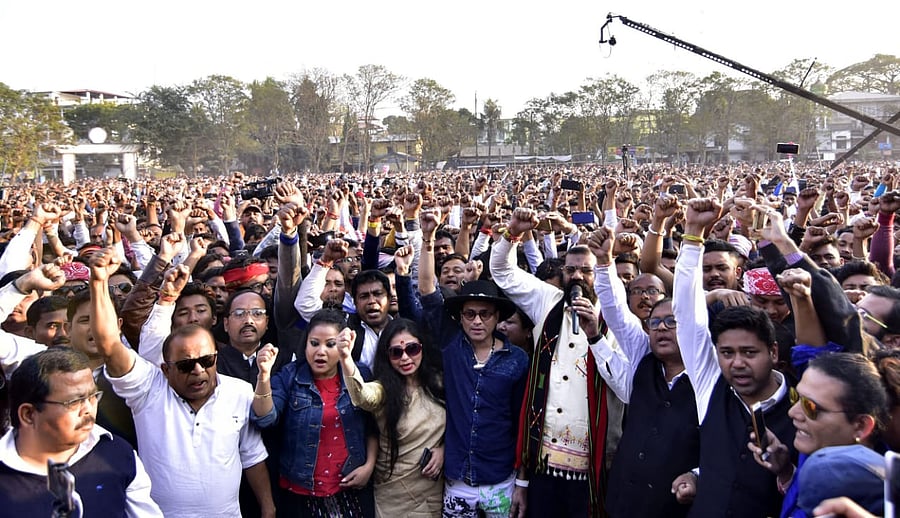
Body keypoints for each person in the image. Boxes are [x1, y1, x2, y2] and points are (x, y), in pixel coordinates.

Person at [90, 247, 275, 518]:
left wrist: (268, 508)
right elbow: (108, 344)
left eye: (207, 361)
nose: (199, 371)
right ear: (166, 369)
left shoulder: (240, 392)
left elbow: (252, 455)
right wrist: (98, 282)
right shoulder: (148, 389)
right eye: (186, 365)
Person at [673, 198, 797, 518]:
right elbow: (686, 315)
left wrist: (786, 472)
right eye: (727, 353)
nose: (737, 363)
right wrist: (693, 233)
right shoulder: (710, 387)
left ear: (773, 352)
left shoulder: (802, 405)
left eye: (749, 352)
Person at [490, 208, 615, 517]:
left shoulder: (615, 314)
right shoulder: (548, 300)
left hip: (592, 467)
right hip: (542, 464)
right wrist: (512, 233)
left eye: (586, 270)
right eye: (571, 270)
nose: (577, 277)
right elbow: (503, 271)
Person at [419, 208, 529, 518]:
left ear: (497, 317)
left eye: (485, 314)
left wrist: (522, 480)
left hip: (501, 478)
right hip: (458, 479)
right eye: (469, 314)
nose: (477, 321)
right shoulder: (452, 345)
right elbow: (427, 289)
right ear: (460, 317)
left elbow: (522, 422)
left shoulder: (517, 360)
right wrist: (427, 237)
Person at [0, 347, 162, 516]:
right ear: (28, 414)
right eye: (74, 402)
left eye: (93, 396)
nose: (88, 409)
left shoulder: (117, 454)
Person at [252, 309, 377, 517]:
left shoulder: (359, 373)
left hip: (351, 488)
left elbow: (373, 426)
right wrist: (263, 375)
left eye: (330, 344)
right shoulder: (290, 375)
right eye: (314, 343)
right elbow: (265, 419)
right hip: (301, 493)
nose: (321, 351)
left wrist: (369, 466)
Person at [748, 353, 889, 517]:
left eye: (810, 407)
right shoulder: (813, 452)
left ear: (861, 425)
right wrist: (786, 472)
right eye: (796, 397)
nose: (792, 412)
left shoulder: (873, 502)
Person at [339, 318, 445, 517]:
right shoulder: (383, 391)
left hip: (433, 491)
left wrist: (444, 449)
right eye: (396, 352)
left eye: (412, 349)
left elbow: (461, 423)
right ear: (386, 356)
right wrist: (346, 358)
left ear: (422, 348)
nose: (405, 358)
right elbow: (362, 396)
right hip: (394, 497)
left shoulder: (439, 383)